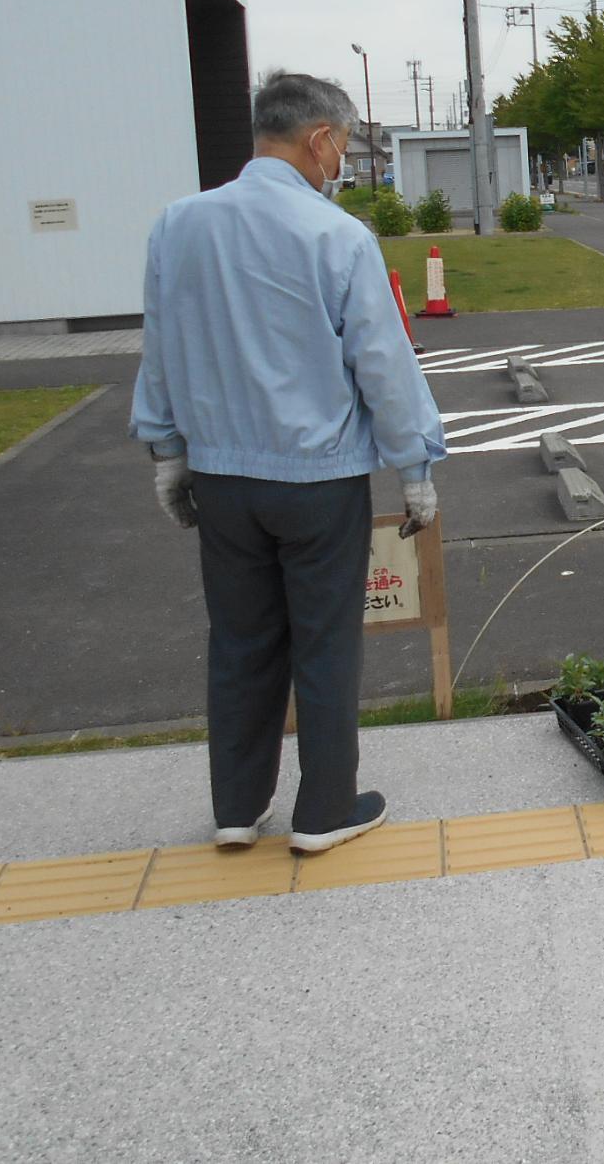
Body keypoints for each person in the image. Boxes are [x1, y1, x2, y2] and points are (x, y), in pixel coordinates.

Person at [131, 72, 447, 854]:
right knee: (326, 641)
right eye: (342, 145)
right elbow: (382, 363)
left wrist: (168, 452)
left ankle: (237, 808)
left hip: (222, 477)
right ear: (320, 141)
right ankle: (325, 808)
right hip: (318, 479)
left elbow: (161, 348)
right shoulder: (336, 236)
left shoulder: (178, 225)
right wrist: (414, 466)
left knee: (240, 640)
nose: (341, 160)